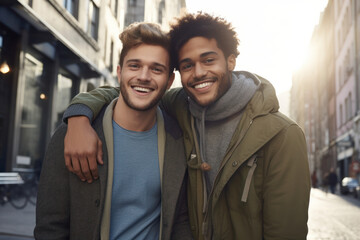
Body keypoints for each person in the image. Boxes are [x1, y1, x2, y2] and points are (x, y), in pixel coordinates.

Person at [63, 13, 311, 239]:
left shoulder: (282, 135)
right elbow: (129, 91)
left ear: (231, 61)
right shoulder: (180, 106)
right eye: (187, 65)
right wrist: (78, 117)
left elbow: (287, 233)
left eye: (209, 60)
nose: (199, 73)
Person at [34, 22, 192, 240]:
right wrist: (79, 119)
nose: (144, 76)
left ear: (169, 81)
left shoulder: (178, 139)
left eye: (156, 69)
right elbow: (50, 227)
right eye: (134, 66)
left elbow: (180, 220)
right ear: (120, 72)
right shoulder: (71, 133)